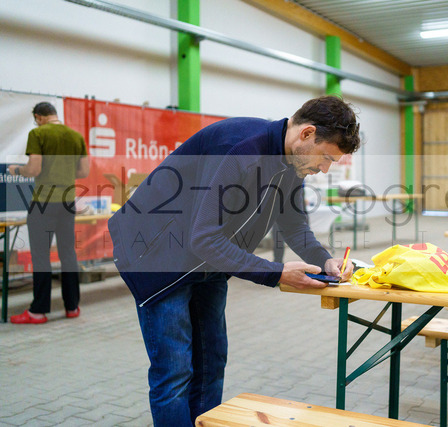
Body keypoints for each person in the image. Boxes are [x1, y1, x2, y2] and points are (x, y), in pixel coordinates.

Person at [108, 95, 360, 426]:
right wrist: (276, 273)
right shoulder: (240, 150)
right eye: (326, 158)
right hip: (159, 257)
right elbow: (203, 237)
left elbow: (295, 227)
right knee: (174, 372)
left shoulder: (293, 163)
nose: (324, 169)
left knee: (211, 363)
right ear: (307, 133)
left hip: (208, 258)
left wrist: (325, 261)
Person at [8, 102, 91, 324]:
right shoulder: (75, 136)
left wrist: (17, 170)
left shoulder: (38, 133)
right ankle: (72, 306)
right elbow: (84, 170)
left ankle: (38, 311)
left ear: (39, 117)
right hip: (67, 202)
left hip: (43, 203)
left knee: (41, 256)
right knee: (68, 254)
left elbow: (33, 169)